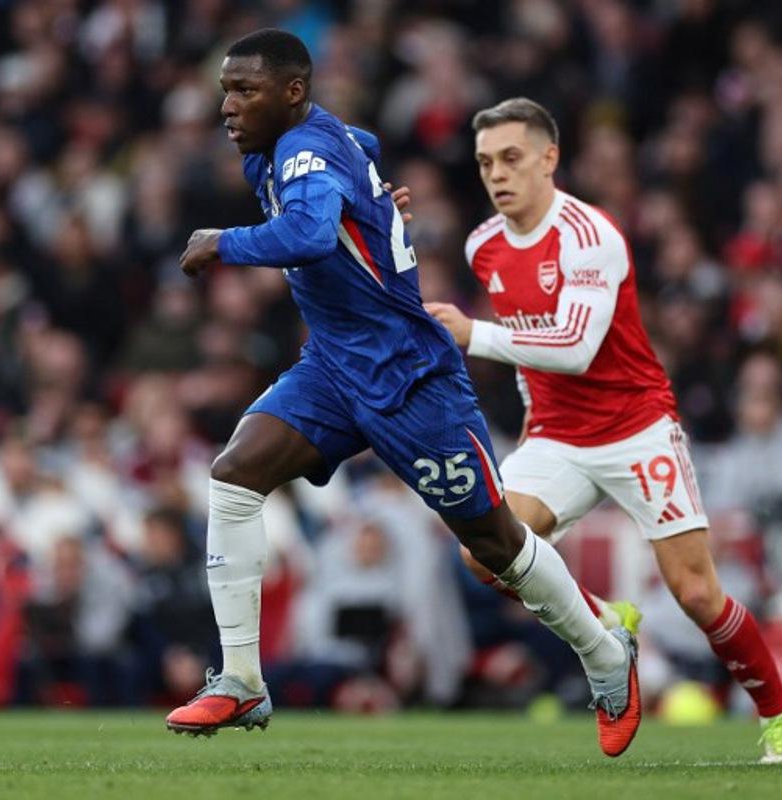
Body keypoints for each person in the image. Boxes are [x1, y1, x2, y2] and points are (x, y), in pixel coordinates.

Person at [165, 30, 640, 757]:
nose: (227, 105)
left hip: (410, 382)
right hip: (332, 369)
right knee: (235, 473)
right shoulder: (305, 142)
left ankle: (607, 656)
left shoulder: (303, 154)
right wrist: (376, 199)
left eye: (245, 90)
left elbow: (313, 232)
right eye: (226, 89)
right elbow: (361, 144)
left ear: (293, 92)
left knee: (495, 543)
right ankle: (241, 681)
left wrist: (223, 242)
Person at [424, 98, 782, 764]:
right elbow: (531, 350)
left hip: (637, 427)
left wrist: (474, 334)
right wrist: (531, 418)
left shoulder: (589, 234)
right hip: (555, 433)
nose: (497, 174)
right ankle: (605, 622)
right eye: (486, 161)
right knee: (480, 546)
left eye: (512, 157)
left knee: (695, 591)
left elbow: (575, 345)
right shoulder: (483, 245)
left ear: (550, 158)